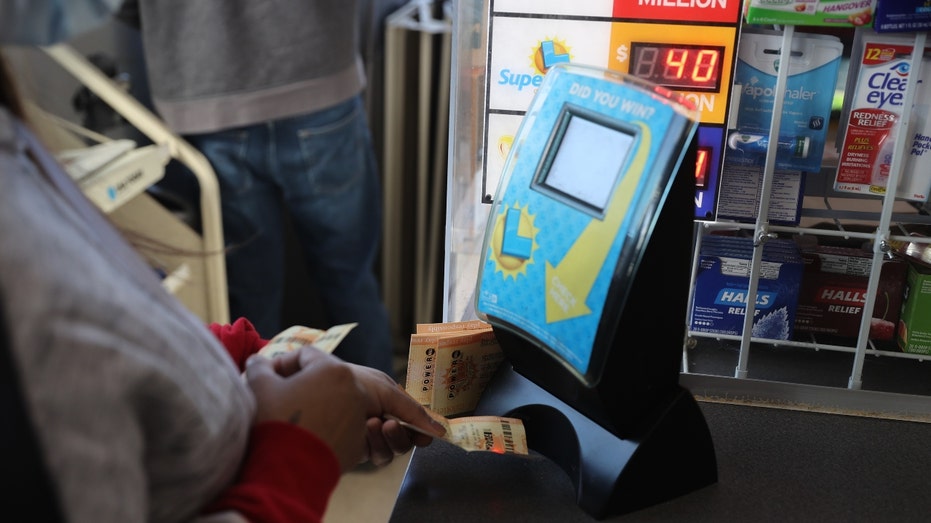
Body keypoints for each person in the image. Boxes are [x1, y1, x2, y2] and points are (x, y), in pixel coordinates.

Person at [0, 2, 445, 521]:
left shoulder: (18, 147)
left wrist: (245, 353)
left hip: (202, 92)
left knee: (252, 283)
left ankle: (342, 413)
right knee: (346, 273)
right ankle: (373, 440)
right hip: (312, 76)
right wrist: (297, 452)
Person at [131, 0, 396, 376]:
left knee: (250, 296)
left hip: (205, 86)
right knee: (350, 281)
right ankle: (386, 422)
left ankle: (273, 426)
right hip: (315, 69)